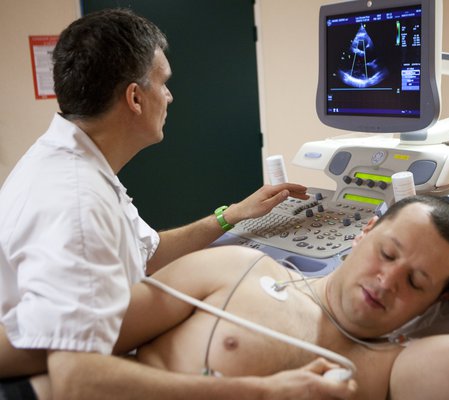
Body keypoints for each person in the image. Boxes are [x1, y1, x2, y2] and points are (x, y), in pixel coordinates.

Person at [0, 8, 355, 400]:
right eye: (163, 83)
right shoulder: (77, 202)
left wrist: (229, 217)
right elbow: (77, 381)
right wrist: (266, 392)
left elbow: (145, 255)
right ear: (135, 97)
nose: (169, 95)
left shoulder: (74, 161)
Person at [109, 195, 449, 400]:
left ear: (435, 301)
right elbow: (77, 350)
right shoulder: (235, 269)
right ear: (363, 234)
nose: (388, 280)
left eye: (416, 282)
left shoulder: (386, 366)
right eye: (386, 253)